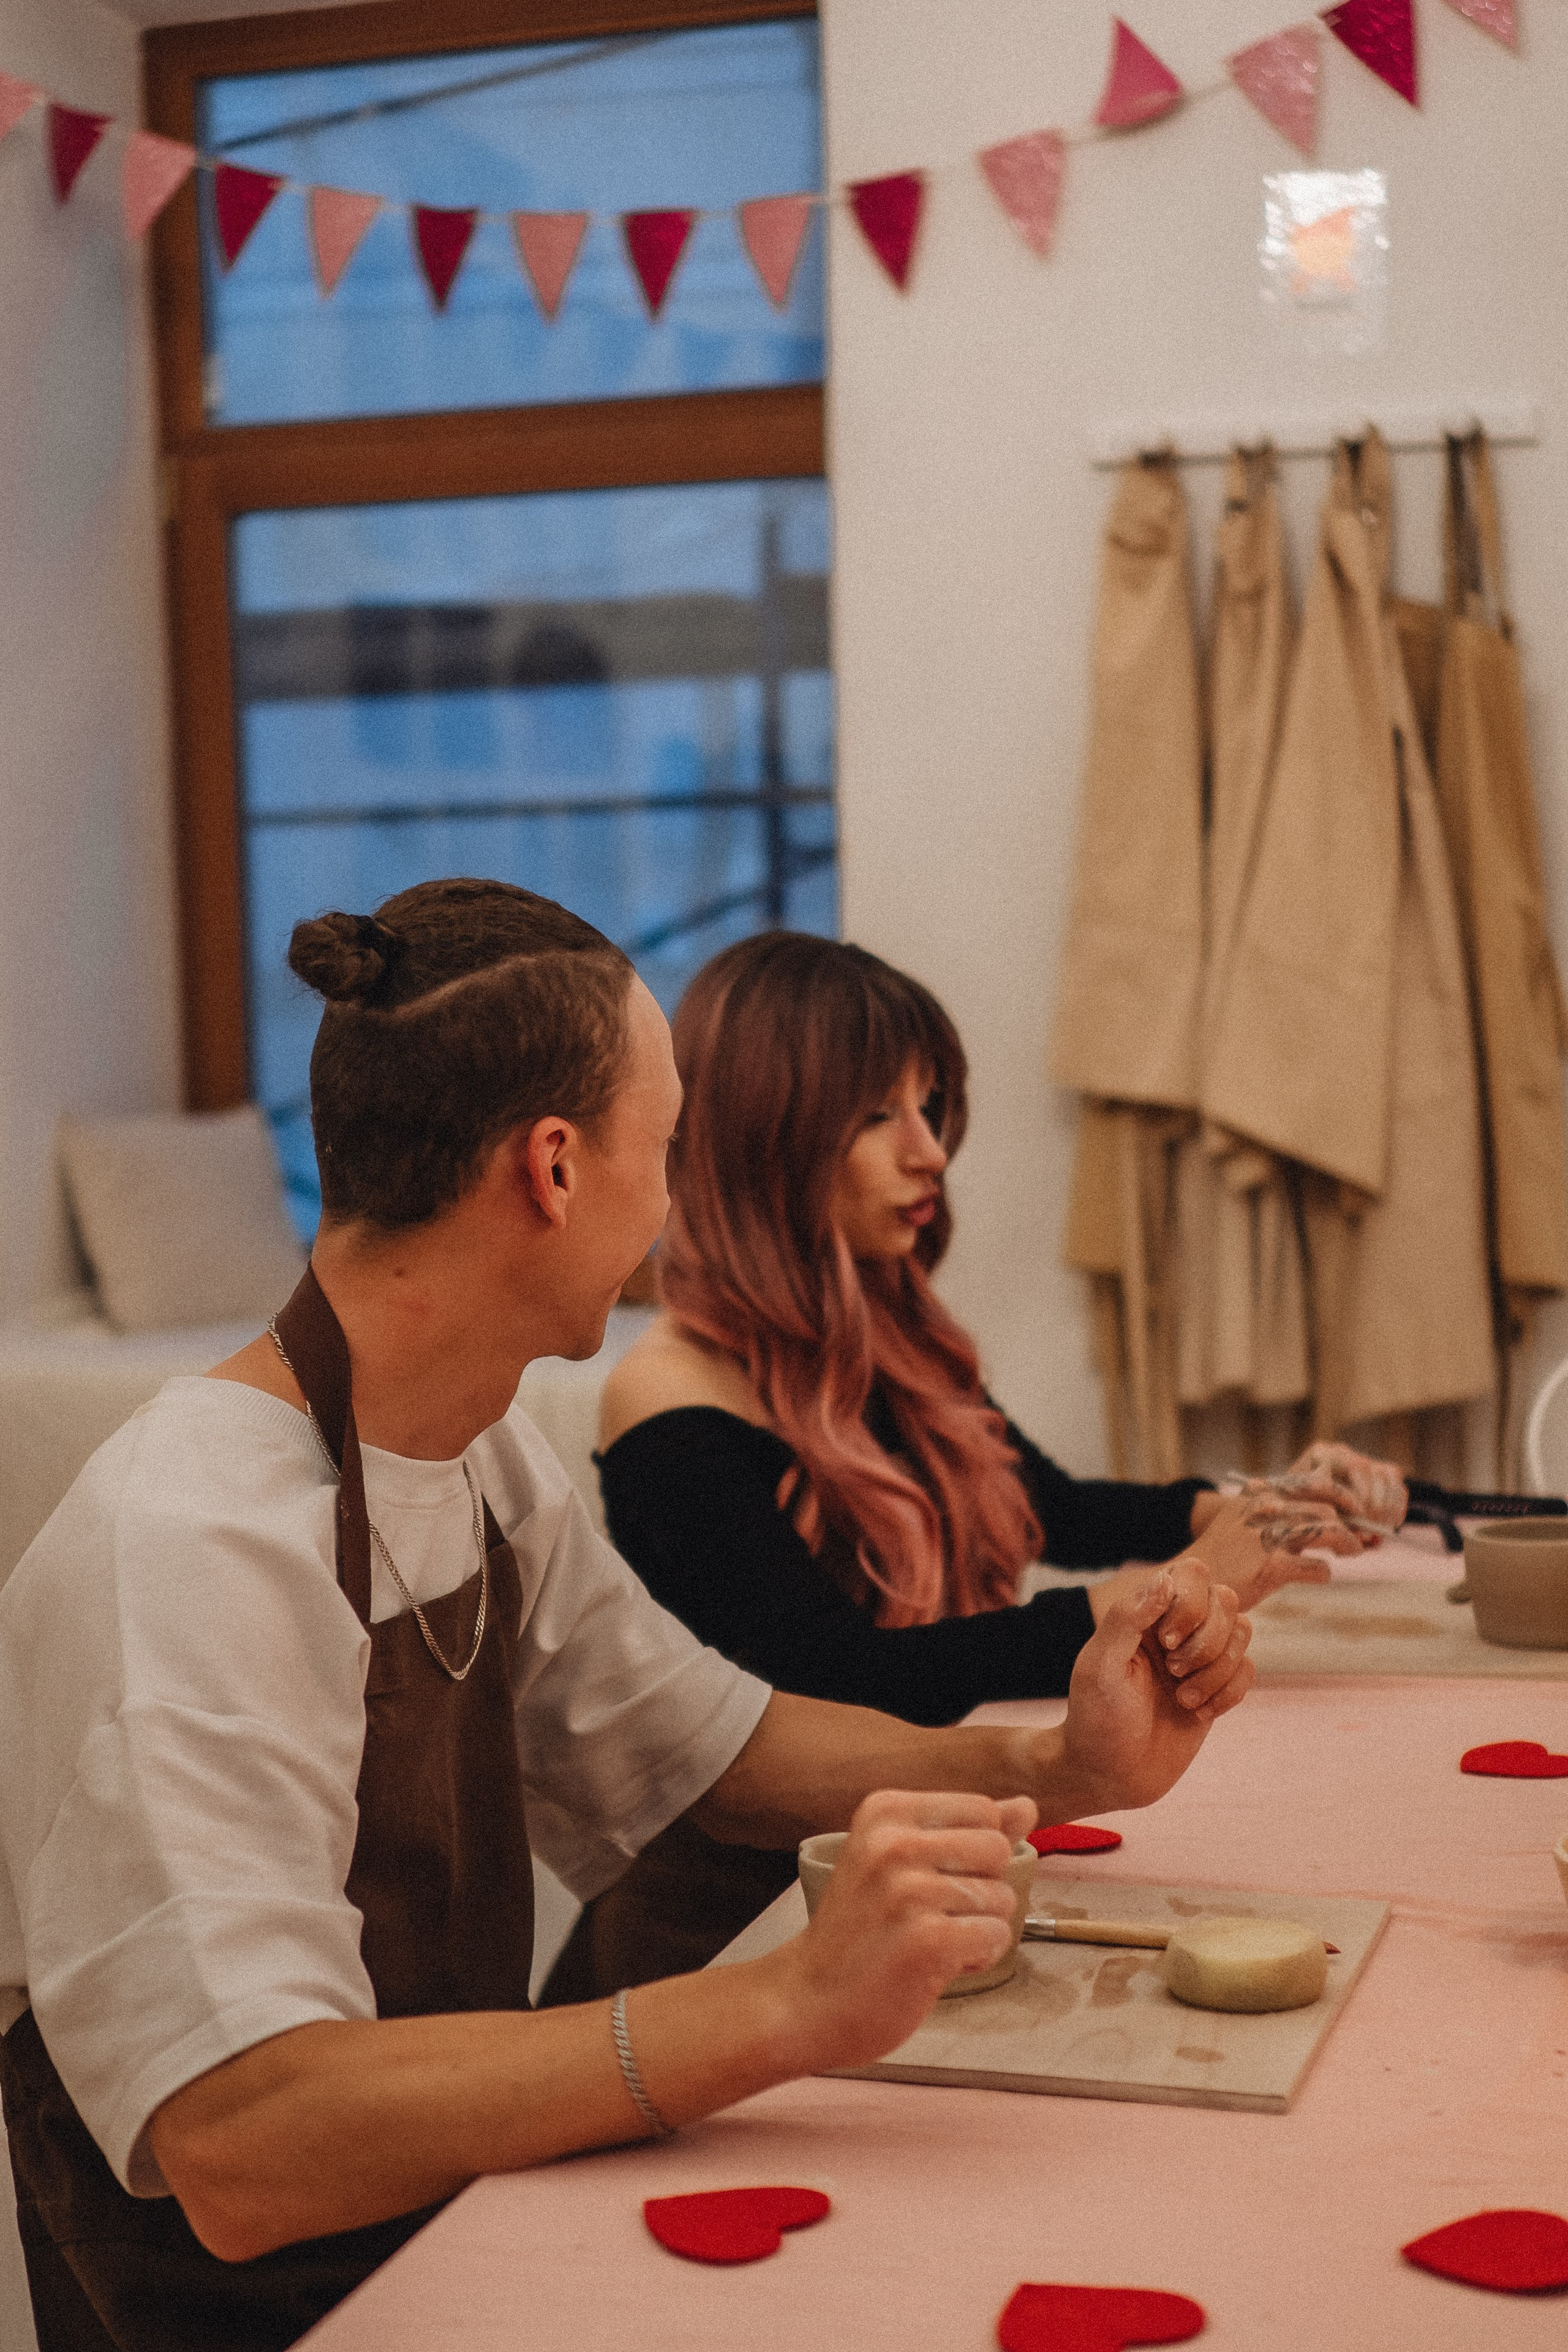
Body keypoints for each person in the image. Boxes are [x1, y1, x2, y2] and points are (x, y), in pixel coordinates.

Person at [0, 881, 1257, 2352]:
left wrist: (1054, 1770)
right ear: (552, 1168)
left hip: (445, 2216)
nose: (672, 1207)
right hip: (253, 2299)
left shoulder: (477, 1457)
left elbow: (715, 1745)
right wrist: (788, 2005)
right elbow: (245, 2141)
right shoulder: (190, 1541)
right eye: (659, 1152)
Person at [544, 932, 1405, 2003]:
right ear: (767, 1139)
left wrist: (1259, 1506)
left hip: (913, 1871)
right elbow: (830, 1679)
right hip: (729, 1932)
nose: (929, 1152)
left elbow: (1051, 1506)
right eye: (876, 1116)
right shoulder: (668, 1392)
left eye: (931, 1105)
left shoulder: (887, 1326)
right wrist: (1150, 1600)